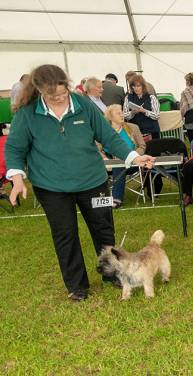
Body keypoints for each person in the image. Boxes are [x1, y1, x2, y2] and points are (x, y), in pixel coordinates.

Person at [4, 64, 154, 302]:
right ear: (40, 91)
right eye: (53, 97)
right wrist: (16, 176)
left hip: (93, 181)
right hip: (51, 187)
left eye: (63, 94)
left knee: (103, 228)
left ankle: (113, 274)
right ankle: (77, 286)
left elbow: (107, 135)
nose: (60, 99)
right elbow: (14, 148)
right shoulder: (28, 113)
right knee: (65, 234)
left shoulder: (83, 104)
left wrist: (133, 156)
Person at [103, 104, 146, 208]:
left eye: (122, 112)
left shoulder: (133, 128)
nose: (122, 115)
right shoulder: (104, 131)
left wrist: (135, 156)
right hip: (108, 163)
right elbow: (97, 149)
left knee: (119, 164)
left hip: (131, 162)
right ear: (111, 117)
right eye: (118, 113)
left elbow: (142, 146)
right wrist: (104, 158)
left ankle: (116, 199)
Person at [123, 75, 161, 139]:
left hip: (152, 132)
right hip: (135, 133)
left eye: (138, 86)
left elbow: (157, 115)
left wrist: (145, 111)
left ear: (143, 86)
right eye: (133, 86)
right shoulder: (127, 97)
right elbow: (125, 115)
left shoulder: (152, 97)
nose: (136, 88)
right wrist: (132, 113)